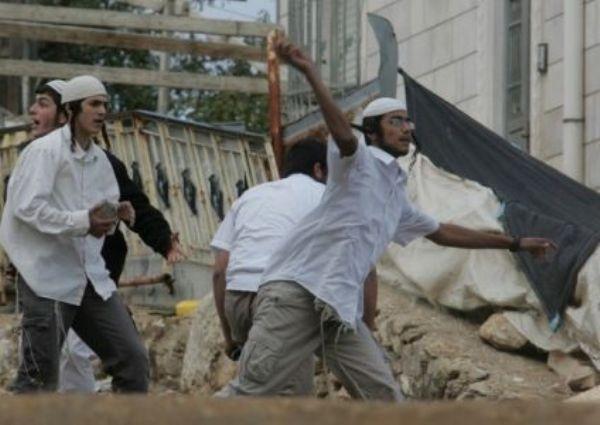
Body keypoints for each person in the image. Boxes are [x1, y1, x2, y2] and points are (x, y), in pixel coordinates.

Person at [226, 35, 557, 401]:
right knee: (251, 390)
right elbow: (342, 133)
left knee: (384, 397)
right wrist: (310, 73)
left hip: (337, 310)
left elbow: (443, 233)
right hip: (296, 294)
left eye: (408, 122)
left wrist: (515, 243)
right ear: (372, 132)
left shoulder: (395, 195)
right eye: (396, 121)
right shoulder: (358, 164)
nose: (406, 129)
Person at [0, 75, 148, 393]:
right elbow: (27, 208)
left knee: (134, 362)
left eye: (105, 104)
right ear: (71, 109)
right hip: (46, 280)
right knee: (38, 381)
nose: (102, 111)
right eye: (94, 104)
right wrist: (84, 221)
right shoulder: (44, 152)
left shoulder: (99, 160)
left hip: (89, 279)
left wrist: (115, 213)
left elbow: (98, 214)